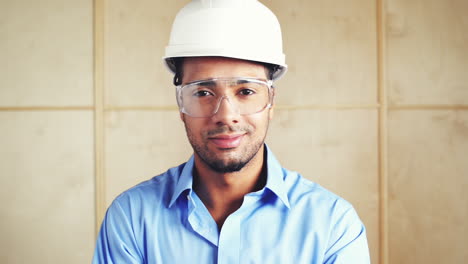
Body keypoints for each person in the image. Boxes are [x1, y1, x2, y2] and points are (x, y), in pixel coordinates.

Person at [92, 0, 371, 263]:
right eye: (202, 92)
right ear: (180, 103)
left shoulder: (333, 225)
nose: (226, 115)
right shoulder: (131, 218)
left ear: (271, 100)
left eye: (246, 91)